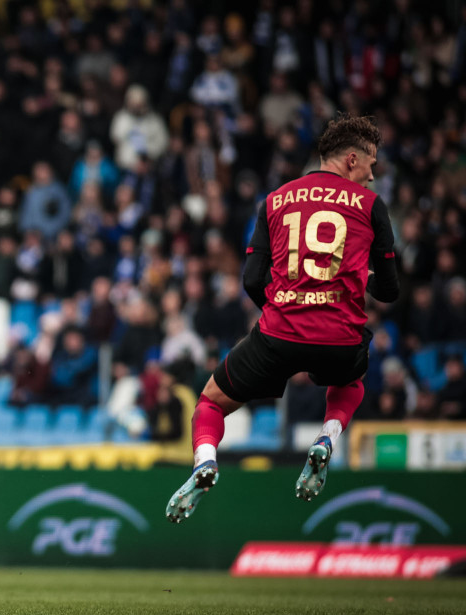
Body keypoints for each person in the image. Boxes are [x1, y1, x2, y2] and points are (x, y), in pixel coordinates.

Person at [165, 114, 400, 523]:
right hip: (339, 337)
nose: (373, 176)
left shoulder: (274, 200)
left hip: (279, 333)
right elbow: (390, 291)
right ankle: (327, 438)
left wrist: (283, 306)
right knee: (350, 380)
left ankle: (204, 462)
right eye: (371, 165)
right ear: (350, 160)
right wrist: (365, 279)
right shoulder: (370, 206)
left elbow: (252, 279)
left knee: (210, 402)